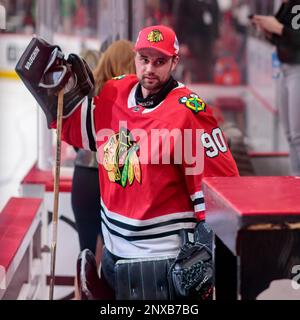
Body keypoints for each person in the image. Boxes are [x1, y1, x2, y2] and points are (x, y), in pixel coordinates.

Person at [18, 25, 238, 299]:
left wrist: (208, 252)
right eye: (144, 59)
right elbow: (80, 132)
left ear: (174, 62)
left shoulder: (189, 113)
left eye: (160, 62)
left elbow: (221, 189)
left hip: (164, 264)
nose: (149, 69)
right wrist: (60, 101)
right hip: (113, 257)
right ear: (135, 56)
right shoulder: (115, 92)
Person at [72, 40, 136, 270]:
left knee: (86, 261)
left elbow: (76, 141)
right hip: (113, 181)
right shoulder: (133, 99)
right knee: (113, 259)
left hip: (83, 179)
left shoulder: (90, 95)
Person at [251, 0, 300, 175]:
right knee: (290, 133)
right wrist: (268, 31)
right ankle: (296, 180)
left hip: (297, 69)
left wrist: (277, 28)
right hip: (284, 67)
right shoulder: (286, 5)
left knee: (297, 135)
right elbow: (285, 39)